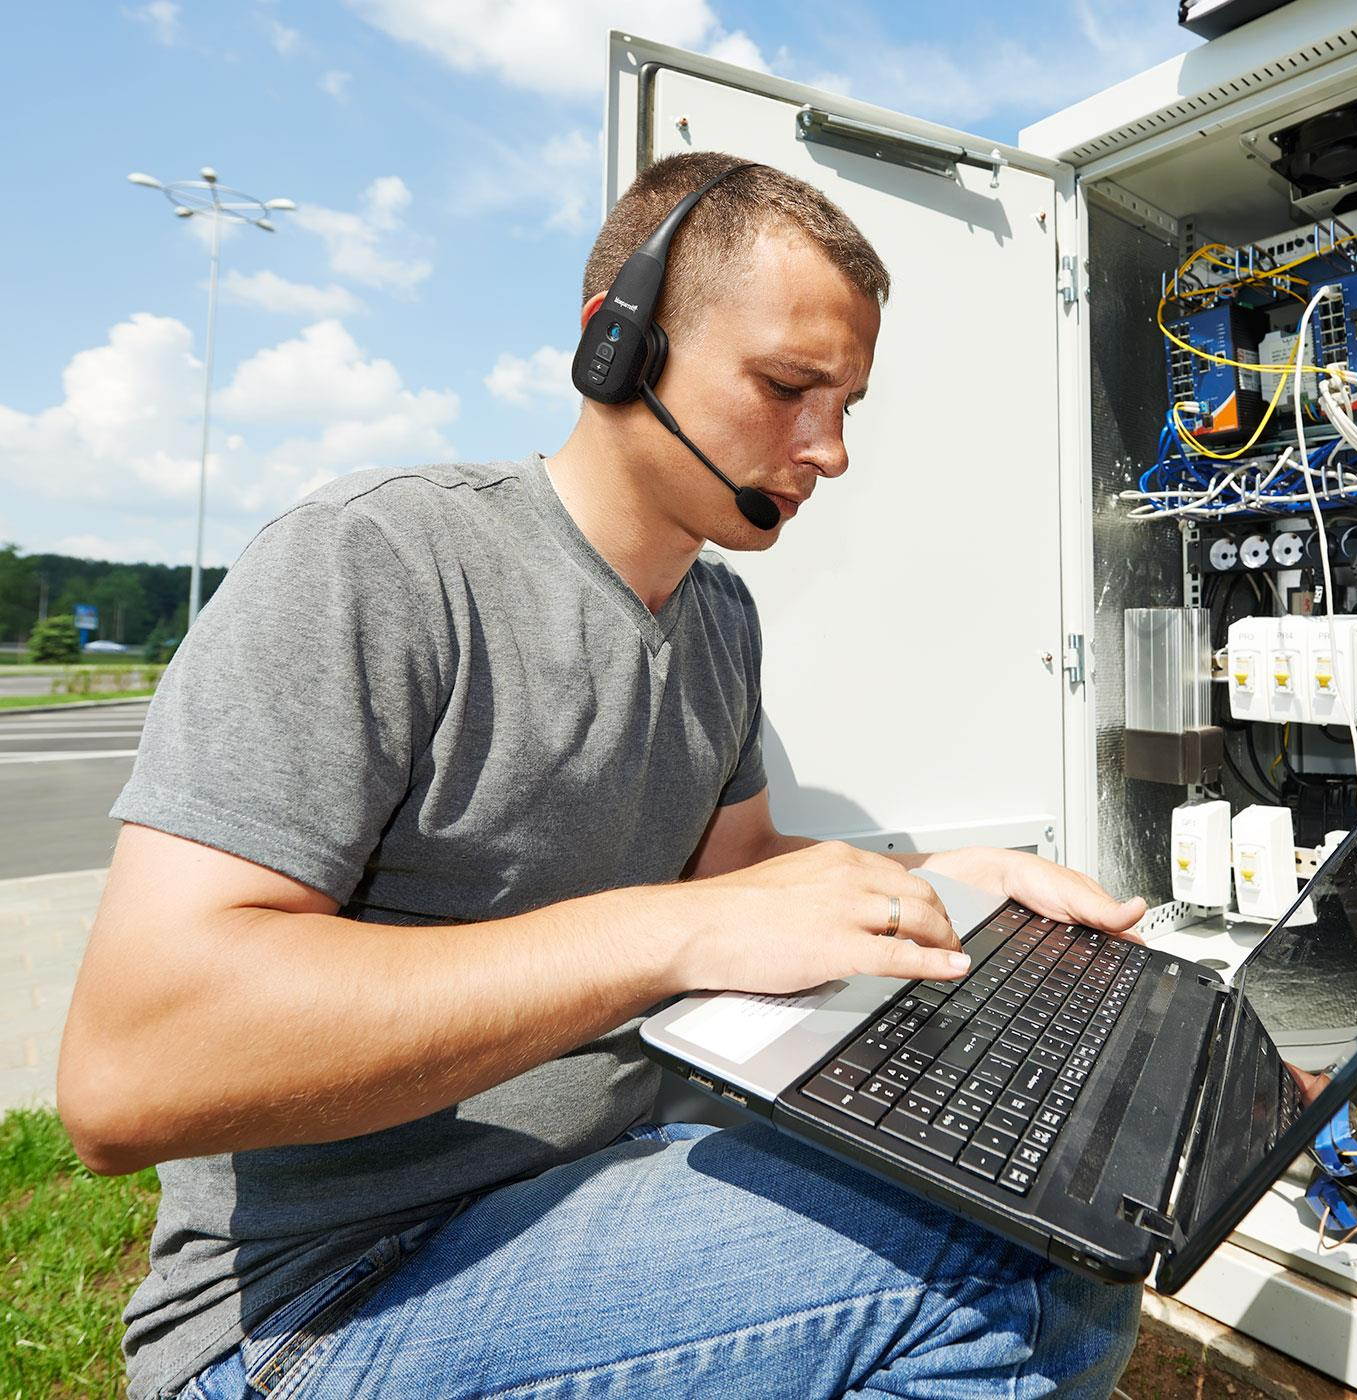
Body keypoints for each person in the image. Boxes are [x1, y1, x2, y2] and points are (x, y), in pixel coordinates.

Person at [58, 151, 1148, 1400]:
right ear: (615, 346)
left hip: (594, 1181)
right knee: (1028, 1272)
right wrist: (667, 932)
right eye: (791, 388)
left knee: (1055, 1185)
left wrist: (957, 878)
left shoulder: (717, 616)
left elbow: (734, 877)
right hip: (327, 1298)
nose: (830, 451)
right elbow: (129, 1070)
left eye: (845, 402)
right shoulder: (378, 559)